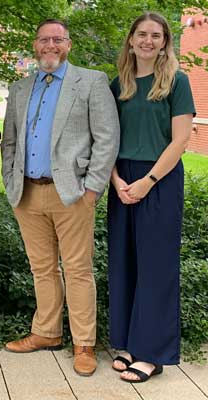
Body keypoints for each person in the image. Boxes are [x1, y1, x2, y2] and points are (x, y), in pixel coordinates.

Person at [1, 19, 119, 376]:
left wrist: (94, 188)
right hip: (27, 193)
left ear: (68, 45)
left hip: (73, 194)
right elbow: (9, 140)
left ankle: (84, 343)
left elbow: (106, 138)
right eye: (44, 40)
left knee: (78, 269)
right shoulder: (20, 88)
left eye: (57, 39)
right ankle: (47, 333)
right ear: (35, 46)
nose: (50, 45)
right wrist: (9, 181)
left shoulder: (91, 81)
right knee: (42, 269)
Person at [108, 12, 195, 383]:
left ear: (164, 42)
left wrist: (148, 180)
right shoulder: (118, 84)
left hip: (158, 178)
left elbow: (180, 140)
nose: (147, 40)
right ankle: (129, 342)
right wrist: (114, 180)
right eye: (141, 34)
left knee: (156, 267)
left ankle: (153, 353)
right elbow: (106, 139)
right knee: (124, 261)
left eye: (155, 35)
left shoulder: (177, 81)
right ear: (130, 40)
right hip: (121, 179)